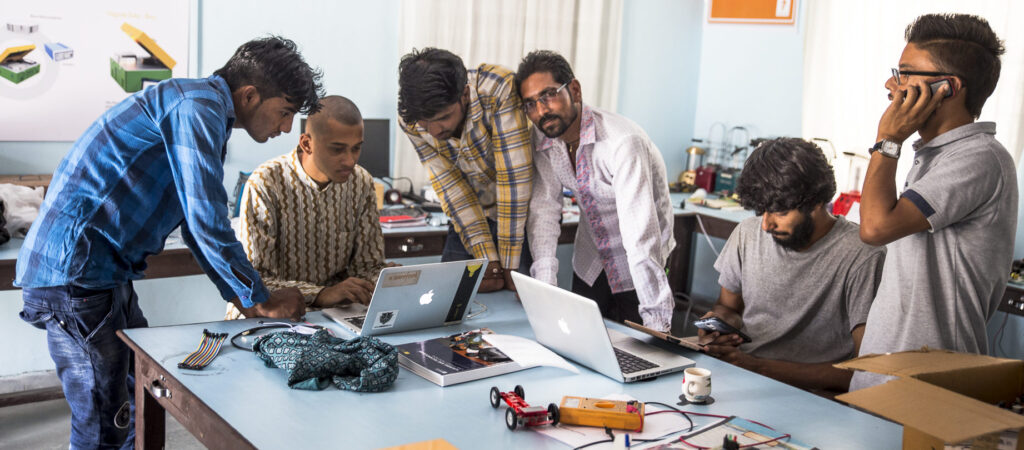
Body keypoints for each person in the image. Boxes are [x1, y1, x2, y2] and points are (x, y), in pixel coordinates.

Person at [16, 36, 322, 448]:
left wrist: (250, 301)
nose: (285, 128)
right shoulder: (197, 108)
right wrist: (258, 300)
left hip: (99, 274)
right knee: (104, 427)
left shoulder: (199, 107)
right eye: (285, 113)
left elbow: (195, 227)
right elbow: (207, 222)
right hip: (75, 276)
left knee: (142, 394)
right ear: (250, 95)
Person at [852, 14, 1017, 390]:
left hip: (929, 380)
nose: (892, 86)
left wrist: (888, 138)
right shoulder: (935, 154)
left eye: (905, 74)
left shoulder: (978, 157)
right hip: (888, 369)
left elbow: (875, 228)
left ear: (948, 87)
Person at [698, 138, 886, 392]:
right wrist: (717, 325)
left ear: (816, 202)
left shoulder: (862, 255)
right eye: (761, 211)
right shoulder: (747, 233)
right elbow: (728, 307)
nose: (766, 225)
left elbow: (866, 371)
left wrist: (758, 367)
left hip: (810, 395)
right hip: (742, 376)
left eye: (780, 212)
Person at [517, 50, 675, 332]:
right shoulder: (544, 137)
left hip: (641, 265)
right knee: (584, 341)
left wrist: (657, 323)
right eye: (530, 104)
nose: (541, 111)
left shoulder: (622, 142)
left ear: (575, 90)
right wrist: (545, 291)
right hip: (592, 261)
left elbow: (640, 236)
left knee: (643, 348)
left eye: (548, 95)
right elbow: (544, 211)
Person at [225, 95, 387, 319]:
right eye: (337, 149)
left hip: (336, 315)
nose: (350, 160)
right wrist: (321, 294)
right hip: (274, 314)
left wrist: (390, 278)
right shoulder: (266, 182)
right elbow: (255, 279)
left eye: (356, 148)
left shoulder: (362, 182)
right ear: (307, 144)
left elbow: (367, 267)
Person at [397, 48, 533, 293]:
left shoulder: (498, 89)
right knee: (449, 298)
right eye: (426, 123)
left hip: (521, 212)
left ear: (465, 95)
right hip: (471, 212)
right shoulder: (411, 119)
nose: (434, 131)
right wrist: (487, 258)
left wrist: (508, 265)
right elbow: (451, 187)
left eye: (444, 117)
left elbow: (513, 184)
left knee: (519, 295)